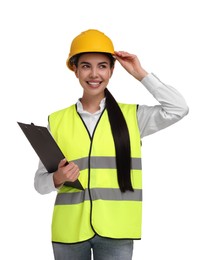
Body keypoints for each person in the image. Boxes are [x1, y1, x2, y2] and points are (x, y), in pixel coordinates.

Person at [34, 29, 189, 260]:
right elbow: (39, 184)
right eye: (86, 66)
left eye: (102, 66)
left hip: (117, 231)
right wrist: (58, 178)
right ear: (75, 70)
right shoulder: (56, 121)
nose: (94, 74)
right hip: (69, 232)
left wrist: (140, 74)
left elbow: (179, 108)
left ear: (112, 70)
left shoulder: (133, 117)